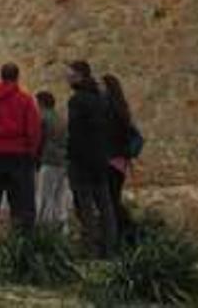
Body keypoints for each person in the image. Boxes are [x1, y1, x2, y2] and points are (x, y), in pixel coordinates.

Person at [0, 63, 42, 249]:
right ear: (17, 77)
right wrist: (32, 152)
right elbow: (34, 129)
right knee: (23, 204)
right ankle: (23, 244)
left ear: (1, 76)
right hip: (20, 155)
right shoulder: (25, 100)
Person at [66, 61, 118, 258]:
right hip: (100, 159)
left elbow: (76, 133)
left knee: (85, 206)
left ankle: (91, 248)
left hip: (82, 162)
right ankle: (110, 248)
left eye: (70, 74)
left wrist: (72, 158)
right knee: (105, 205)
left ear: (79, 76)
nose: (67, 77)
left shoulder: (77, 101)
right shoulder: (101, 99)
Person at [102, 74, 137, 243]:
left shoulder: (107, 109)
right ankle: (125, 233)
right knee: (113, 199)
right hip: (120, 162)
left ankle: (125, 233)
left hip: (109, 160)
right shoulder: (123, 109)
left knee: (110, 201)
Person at [35, 91, 69, 230]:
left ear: (41, 103)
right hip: (63, 160)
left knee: (44, 195)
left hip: (48, 159)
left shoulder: (43, 118)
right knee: (60, 196)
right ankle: (62, 224)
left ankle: (44, 227)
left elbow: (39, 139)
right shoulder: (61, 118)